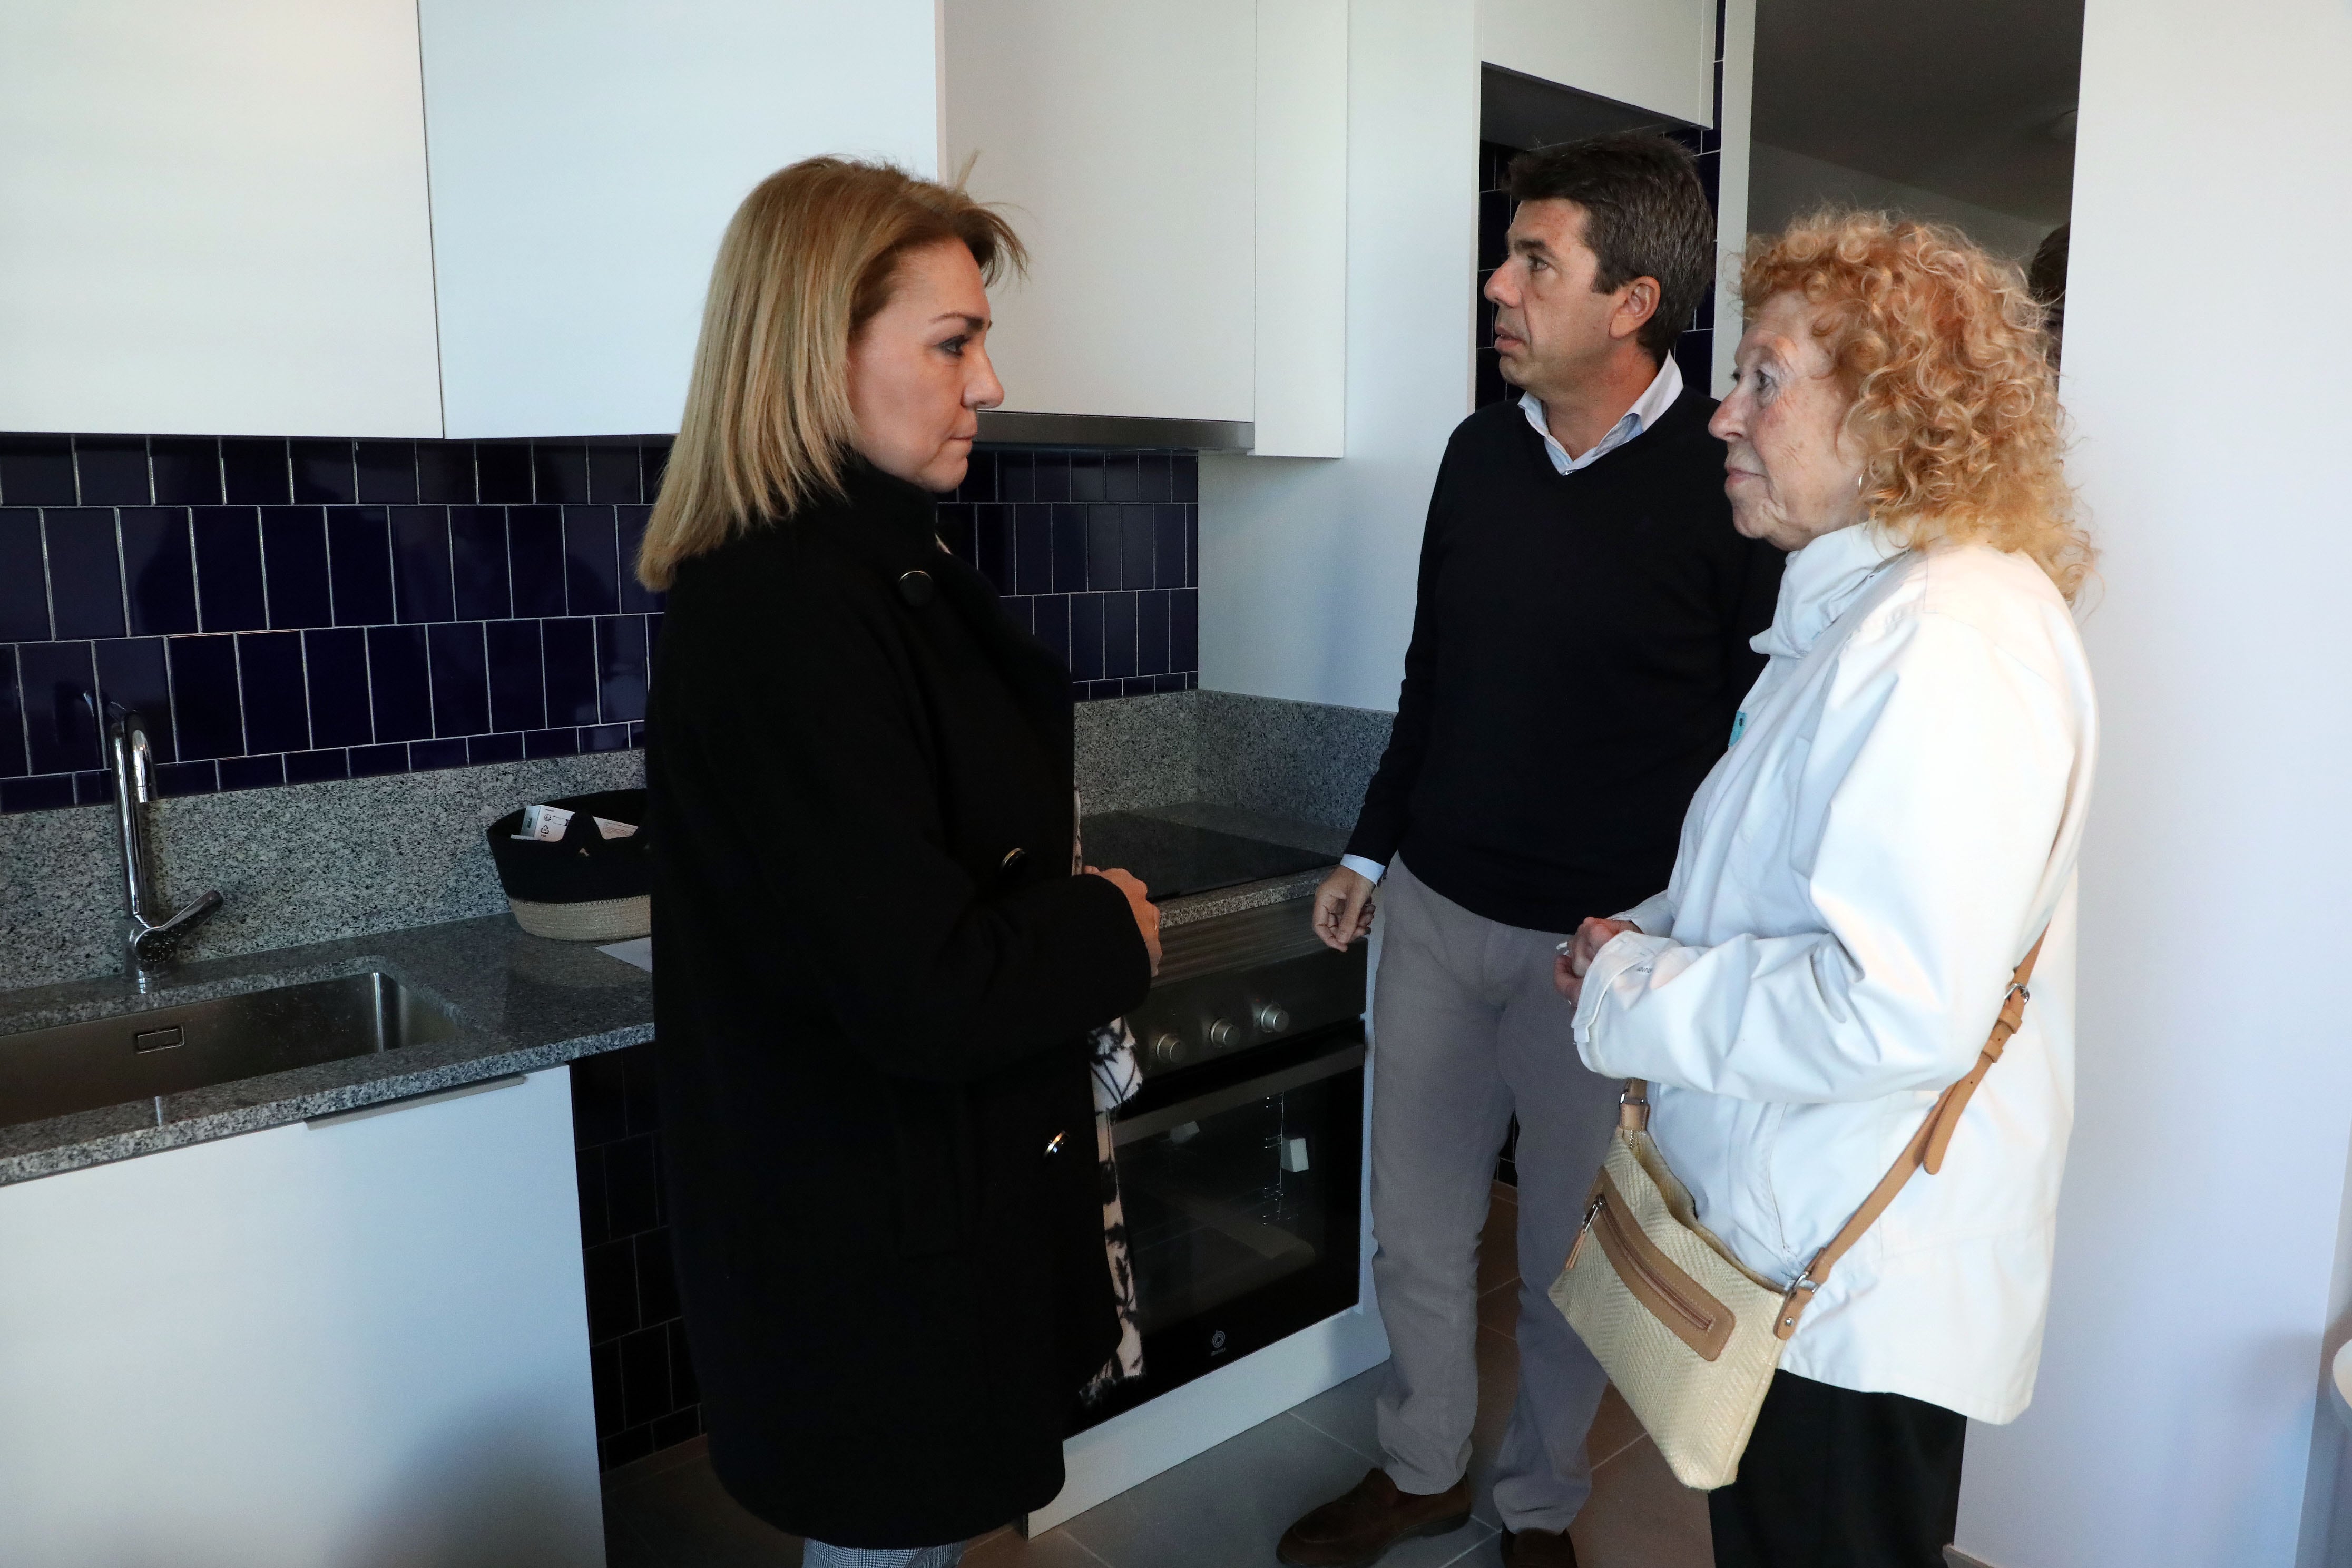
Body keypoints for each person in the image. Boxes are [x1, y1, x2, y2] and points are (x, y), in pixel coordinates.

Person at [639, 157, 1162, 1568]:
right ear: (820, 357)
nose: (987, 384)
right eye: (952, 343)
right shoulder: (788, 616)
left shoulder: (873, 572)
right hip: (871, 1248)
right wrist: (1108, 926)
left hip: (924, 1213)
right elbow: (921, 987)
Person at [1555, 210, 2098, 1568]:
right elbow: (1783, 894)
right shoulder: (1866, 617)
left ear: (1895, 412)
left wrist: (1632, 988)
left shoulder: (1949, 644)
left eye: (1764, 377)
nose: (1722, 419)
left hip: (1856, 1301)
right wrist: (1660, 934)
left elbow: (1888, 1013)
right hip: (1808, 1259)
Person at [1280, 134, 1785, 1568]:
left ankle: (1536, 1503)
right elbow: (1432, 669)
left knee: (1571, 1258)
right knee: (1417, 1233)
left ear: (1632, 300)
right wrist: (1370, 858)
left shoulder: (1728, 480)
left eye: (1533, 261)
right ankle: (1425, 1465)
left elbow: (1758, 741)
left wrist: (1678, 931)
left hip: (1603, 958)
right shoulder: (1476, 453)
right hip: (1437, 911)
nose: (1497, 286)